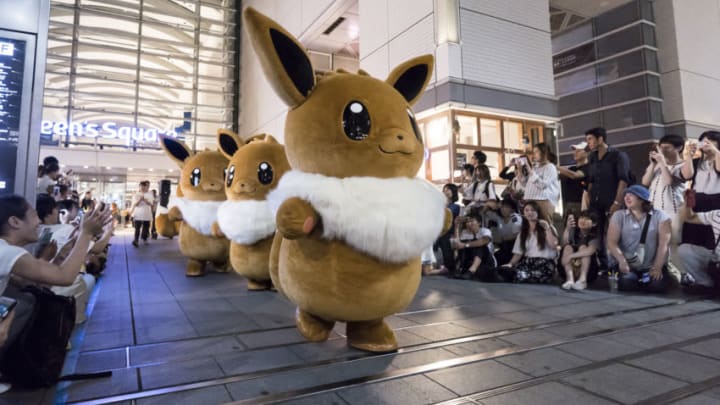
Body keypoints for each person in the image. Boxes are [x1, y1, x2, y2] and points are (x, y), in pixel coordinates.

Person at [0, 195, 108, 357]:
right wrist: (85, 233)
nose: (38, 222)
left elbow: (29, 285)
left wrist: (59, 257)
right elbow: (65, 277)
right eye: (34, 215)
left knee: (27, 301)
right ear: (15, 222)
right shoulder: (6, 252)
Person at [641, 134, 693, 278]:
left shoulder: (681, 165)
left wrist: (662, 163)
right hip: (654, 210)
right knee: (656, 242)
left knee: (673, 244)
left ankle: (685, 274)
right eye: (661, 147)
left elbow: (668, 181)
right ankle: (660, 272)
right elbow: (645, 182)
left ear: (679, 148)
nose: (662, 150)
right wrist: (652, 163)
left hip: (673, 210)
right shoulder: (657, 164)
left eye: (667, 148)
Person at [606, 185, 671, 293]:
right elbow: (611, 242)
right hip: (628, 264)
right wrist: (622, 261)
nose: (627, 197)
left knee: (656, 285)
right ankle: (640, 281)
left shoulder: (660, 216)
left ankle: (646, 280)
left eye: (631, 195)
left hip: (650, 265)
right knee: (627, 283)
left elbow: (664, 244)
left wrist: (657, 267)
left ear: (642, 199)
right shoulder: (619, 215)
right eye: (626, 195)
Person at [678, 130, 720, 290]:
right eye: (703, 140)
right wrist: (688, 154)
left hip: (717, 203)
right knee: (691, 242)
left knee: (714, 242)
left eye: (710, 140)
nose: (706, 143)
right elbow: (686, 175)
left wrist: (716, 152)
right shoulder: (698, 162)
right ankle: (702, 280)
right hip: (697, 202)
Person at [585, 127, 631, 269]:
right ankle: (603, 265)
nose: (588, 143)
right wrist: (588, 196)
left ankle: (619, 264)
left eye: (590, 139)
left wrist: (617, 202)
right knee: (596, 232)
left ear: (600, 139)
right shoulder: (592, 157)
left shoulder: (618, 156)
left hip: (612, 200)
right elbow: (591, 180)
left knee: (614, 234)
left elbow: (623, 180)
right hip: (595, 202)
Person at [501, 201, 559, 283]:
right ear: (523, 213)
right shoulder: (523, 233)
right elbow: (518, 253)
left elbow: (554, 246)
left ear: (538, 212)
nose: (529, 212)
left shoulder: (548, 227)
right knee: (506, 271)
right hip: (528, 263)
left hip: (544, 264)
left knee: (519, 276)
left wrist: (547, 228)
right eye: (526, 210)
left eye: (532, 210)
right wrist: (510, 264)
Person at [519, 143, 560, 222]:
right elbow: (524, 183)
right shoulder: (535, 167)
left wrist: (530, 170)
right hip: (529, 200)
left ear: (544, 152)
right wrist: (520, 169)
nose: (534, 154)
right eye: (533, 152)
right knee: (530, 228)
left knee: (544, 226)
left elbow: (543, 185)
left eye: (536, 151)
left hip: (543, 201)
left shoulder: (550, 167)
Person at [560, 210, 600, 291]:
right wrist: (567, 229)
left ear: (594, 224)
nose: (582, 220)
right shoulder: (574, 231)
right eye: (581, 217)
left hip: (589, 270)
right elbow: (564, 244)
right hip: (569, 267)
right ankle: (569, 279)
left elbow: (591, 250)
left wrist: (570, 256)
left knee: (583, 248)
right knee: (568, 247)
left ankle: (582, 281)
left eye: (587, 219)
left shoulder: (595, 235)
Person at [451, 216, 496, 280]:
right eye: (467, 222)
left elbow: (484, 241)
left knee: (480, 245)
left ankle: (472, 270)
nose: (469, 223)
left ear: (479, 223)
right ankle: (461, 268)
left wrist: (465, 245)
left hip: (486, 262)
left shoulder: (485, 231)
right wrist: (457, 226)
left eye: (472, 221)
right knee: (463, 243)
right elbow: (457, 244)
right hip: (470, 260)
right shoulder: (464, 232)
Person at [434, 184, 461, 274]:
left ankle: (448, 266)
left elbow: (447, 214)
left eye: (448, 189)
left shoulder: (455, 206)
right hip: (436, 231)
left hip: (448, 233)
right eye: (444, 189)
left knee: (445, 240)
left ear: (453, 192)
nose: (446, 191)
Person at [558, 141, 589, 215]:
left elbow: (575, 175)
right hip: (568, 204)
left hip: (581, 204)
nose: (575, 153)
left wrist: (555, 166)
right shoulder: (571, 168)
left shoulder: (589, 167)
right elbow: (556, 177)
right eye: (574, 151)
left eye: (578, 151)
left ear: (587, 153)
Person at [130, 180, 154, 247]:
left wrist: (145, 200)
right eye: (141, 187)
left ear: (146, 187)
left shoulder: (150, 194)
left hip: (147, 214)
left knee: (146, 228)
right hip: (138, 214)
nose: (143, 188)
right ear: (139, 187)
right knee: (137, 228)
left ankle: (144, 238)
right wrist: (140, 199)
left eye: (144, 187)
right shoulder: (136, 194)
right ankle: (136, 240)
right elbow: (135, 204)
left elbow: (151, 204)